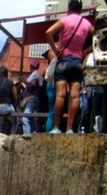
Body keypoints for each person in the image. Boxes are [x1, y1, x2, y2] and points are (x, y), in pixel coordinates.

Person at [46, 0, 94, 134]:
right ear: (80, 9)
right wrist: (87, 50)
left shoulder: (65, 20)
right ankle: (70, 129)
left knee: (60, 95)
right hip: (77, 62)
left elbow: (48, 32)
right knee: (75, 96)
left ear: (69, 8)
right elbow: (96, 36)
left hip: (63, 61)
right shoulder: (86, 23)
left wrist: (55, 49)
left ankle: (56, 128)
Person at [21, 60, 44, 134]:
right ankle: (31, 135)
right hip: (33, 99)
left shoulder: (35, 75)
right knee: (31, 119)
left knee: (25, 118)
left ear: (31, 66)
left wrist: (24, 81)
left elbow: (33, 86)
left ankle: (27, 136)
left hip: (32, 99)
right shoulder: (37, 74)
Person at [0, 66, 18, 135]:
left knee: (0, 123)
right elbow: (15, 95)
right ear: (6, 73)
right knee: (15, 122)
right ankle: (12, 138)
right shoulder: (10, 82)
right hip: (7, 108)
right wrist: (15, 104)